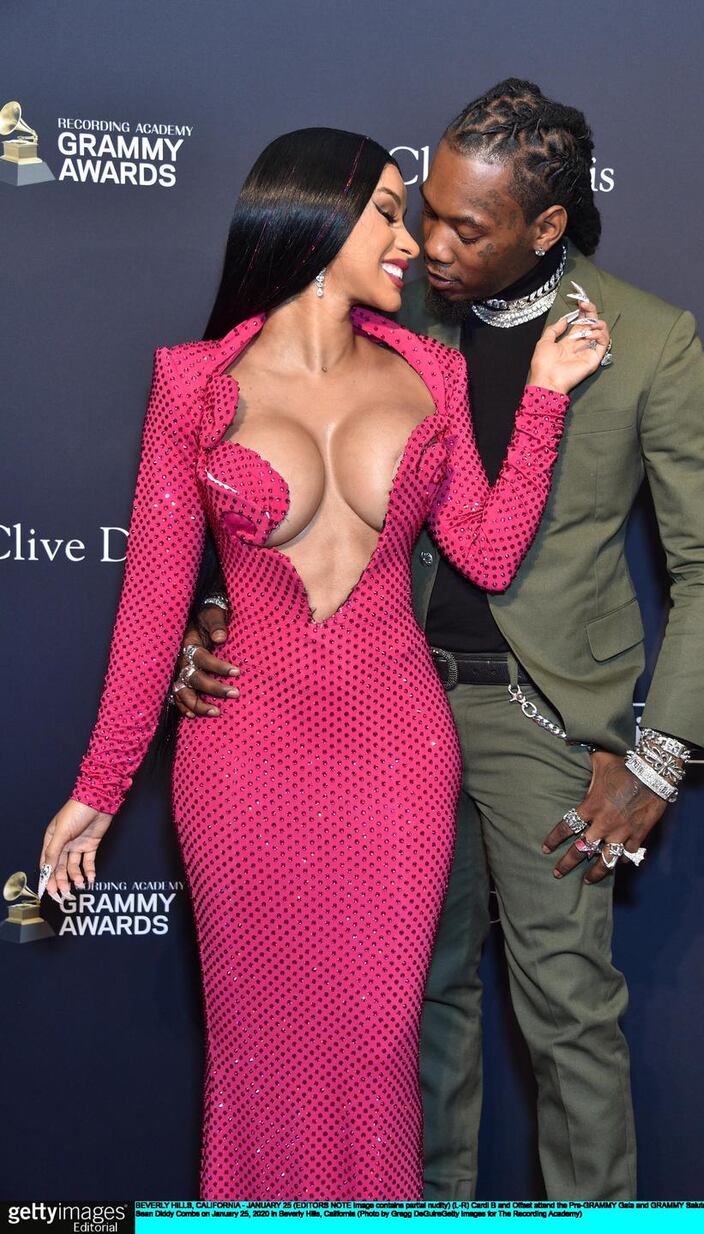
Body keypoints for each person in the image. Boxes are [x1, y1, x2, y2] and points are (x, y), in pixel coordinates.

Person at [176, 82, 704, 1201]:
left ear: (543, 228)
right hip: (380, 708)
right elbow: (272, 463)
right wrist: (223, 608)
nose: (426, 242)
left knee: (568, 1015)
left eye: (463, 227)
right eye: (423, 210)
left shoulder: (645, 339)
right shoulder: (394, 313)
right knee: (407, 1015)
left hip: (537, 722)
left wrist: (657, 757)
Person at [36, 126, 610, 1201]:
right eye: (389, 214)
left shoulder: (431, 374)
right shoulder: (194, 385)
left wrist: (539, 398)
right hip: (243, 756)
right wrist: (97, 790)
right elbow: (155, 604)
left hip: (395, 756)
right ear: (315, 222)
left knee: (377, 1047)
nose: (411, 242)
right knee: (257, 1059)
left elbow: (483, 550)